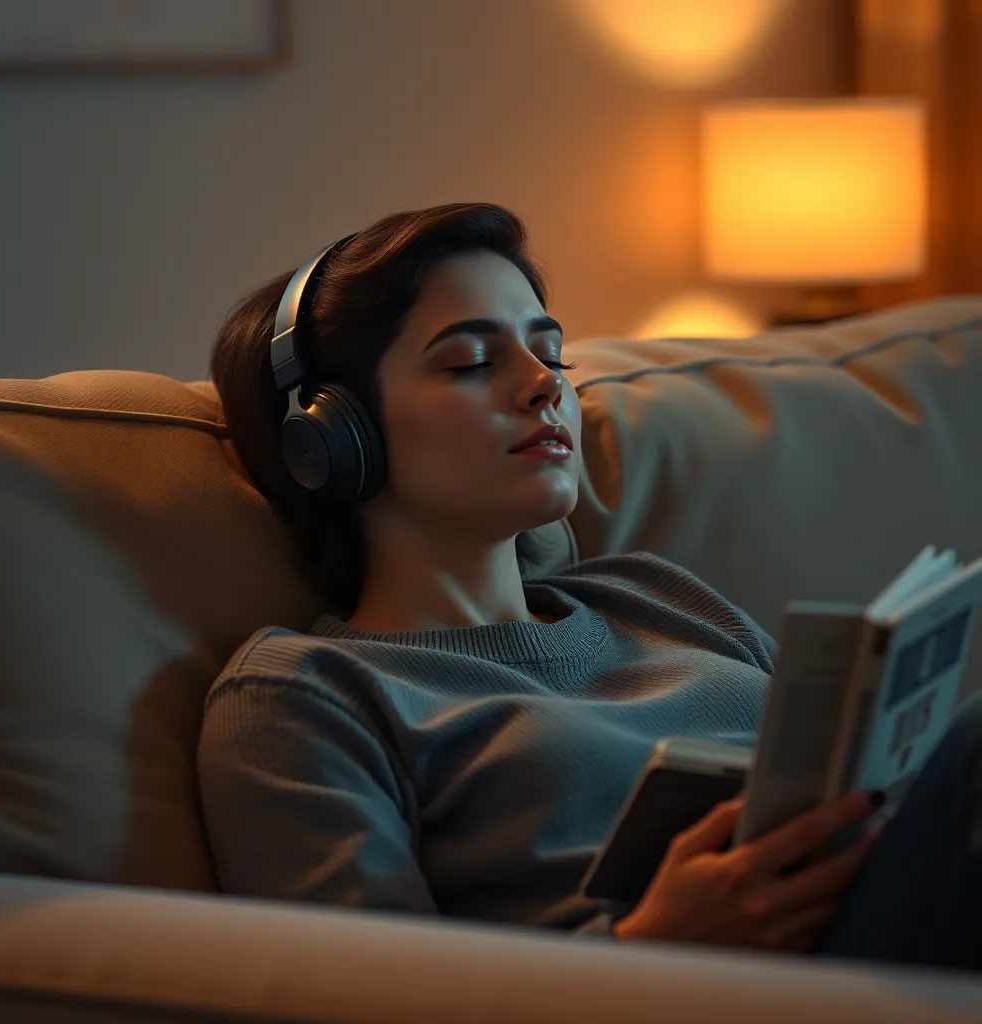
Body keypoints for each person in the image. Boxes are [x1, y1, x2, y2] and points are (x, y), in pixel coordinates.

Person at [197, 202, 982, 970]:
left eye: (553, 355)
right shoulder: (306, 694)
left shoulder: (656, 599)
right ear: (334, 437)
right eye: (471, 363)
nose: (544, 385)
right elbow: (360, 998)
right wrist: (650, 950)